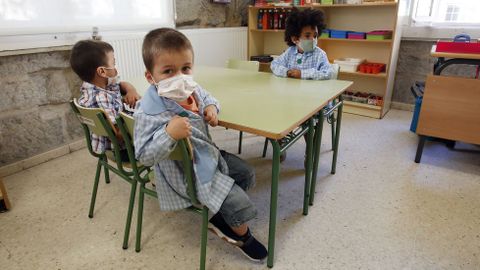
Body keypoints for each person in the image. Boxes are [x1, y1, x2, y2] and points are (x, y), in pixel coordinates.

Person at [133, 28, 268, 262]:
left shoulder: (191, 89)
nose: (180, 77)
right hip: (188, 172)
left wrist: (211, 108)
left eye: (185, 68)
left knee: (247, 174)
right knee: (239, 204)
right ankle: (240, 236)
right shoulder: (148, 111)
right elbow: (143, 155)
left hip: (208, 155)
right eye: (168, 71)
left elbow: (210, 98)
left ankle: (218, 211)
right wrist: (168, 134)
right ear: (150, 77)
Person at [270, 8, 333, 161]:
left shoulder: (320, 54)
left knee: (308, 121)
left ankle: (310, 151)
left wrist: (303, 74)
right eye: (307, 36)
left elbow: (327, 73)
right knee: (275, 113)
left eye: (315, 35)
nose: (313, 39)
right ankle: (280, 143)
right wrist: (286, 72)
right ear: (295, 39)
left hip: (313, 103)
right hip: (290, 99)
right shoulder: (290, 52)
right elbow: (274, 65)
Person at [70, 40, 140, 159]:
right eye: (114, 63)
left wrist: (131, 90)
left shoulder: (95, 88)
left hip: (108, 147)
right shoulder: (102, 98)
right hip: (124, 149)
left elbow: (121, 84)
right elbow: (118, 134)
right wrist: (143, 124)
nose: (116, 67)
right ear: (102, 71)